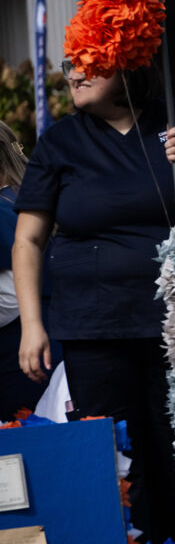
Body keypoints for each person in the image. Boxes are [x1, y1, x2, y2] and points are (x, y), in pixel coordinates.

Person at [13, 61, 175, 544]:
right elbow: (27, 240)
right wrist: (32, 324)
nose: (73, 75)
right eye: (70, 64)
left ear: (126, 66)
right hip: (92, 329)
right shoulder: (60, 140)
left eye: (87, 64)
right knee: (114, 459)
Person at [0, 122, 62, 421]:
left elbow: (9, 298)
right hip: (51, 346)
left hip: (20, 358)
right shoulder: (29, 199)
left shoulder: (4, 208)